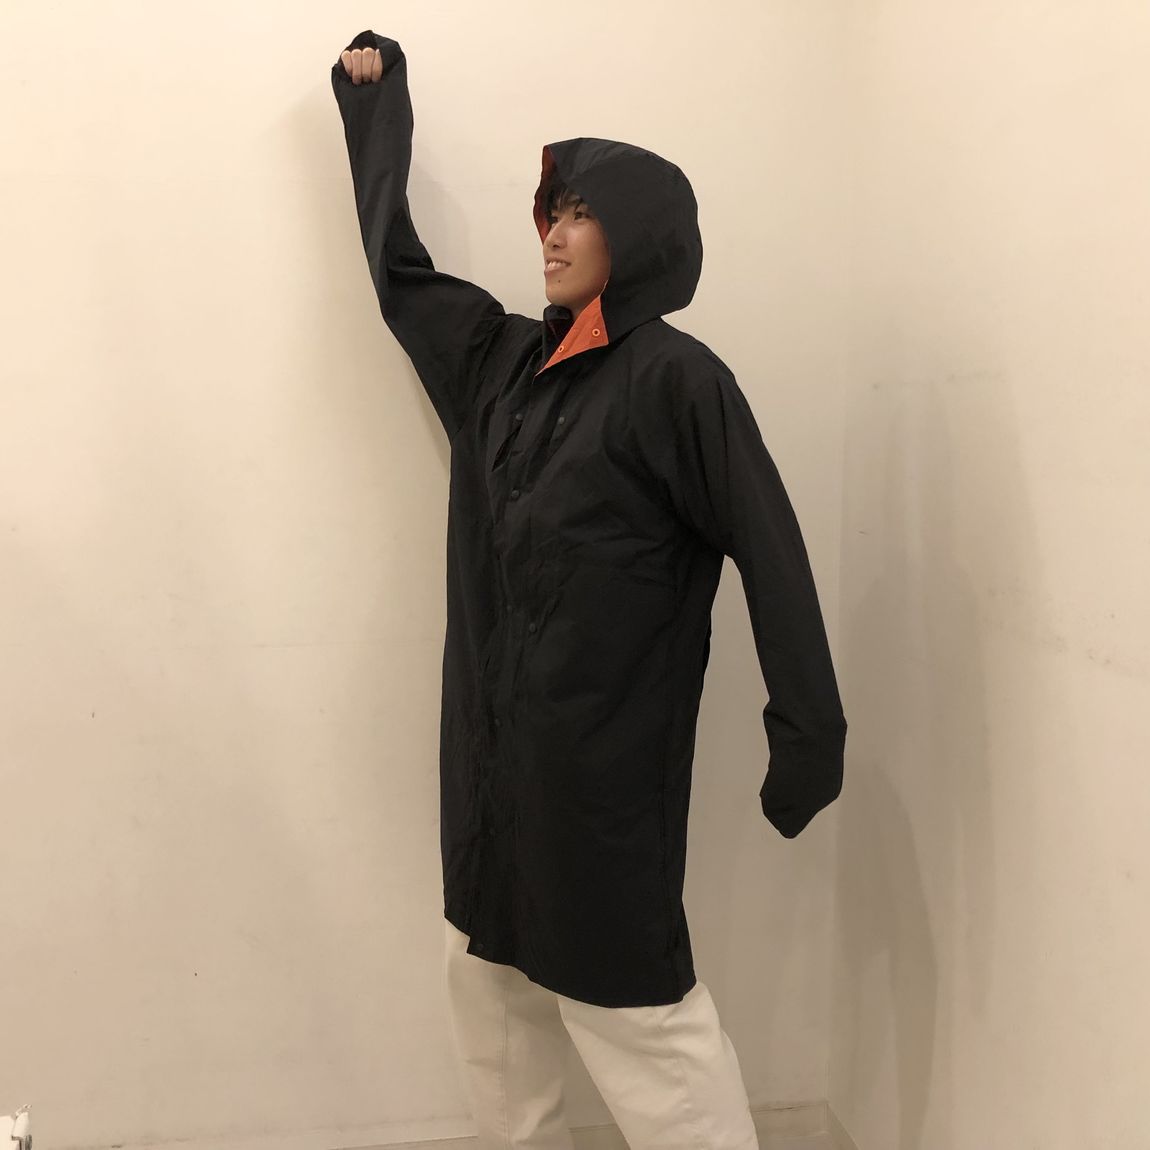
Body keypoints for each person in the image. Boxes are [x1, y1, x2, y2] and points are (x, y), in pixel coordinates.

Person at [332, 29, 847, 1150]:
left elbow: (769, 546)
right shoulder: (500, 363)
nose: (555, 234)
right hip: (488, 764)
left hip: (602, 779)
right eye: (550, 212)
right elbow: (400, 280)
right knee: (489, 995)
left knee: (641, 1021)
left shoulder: (676, 384)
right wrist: (374, 114)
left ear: (641, 236)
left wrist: (809, 731)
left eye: (581, 213)